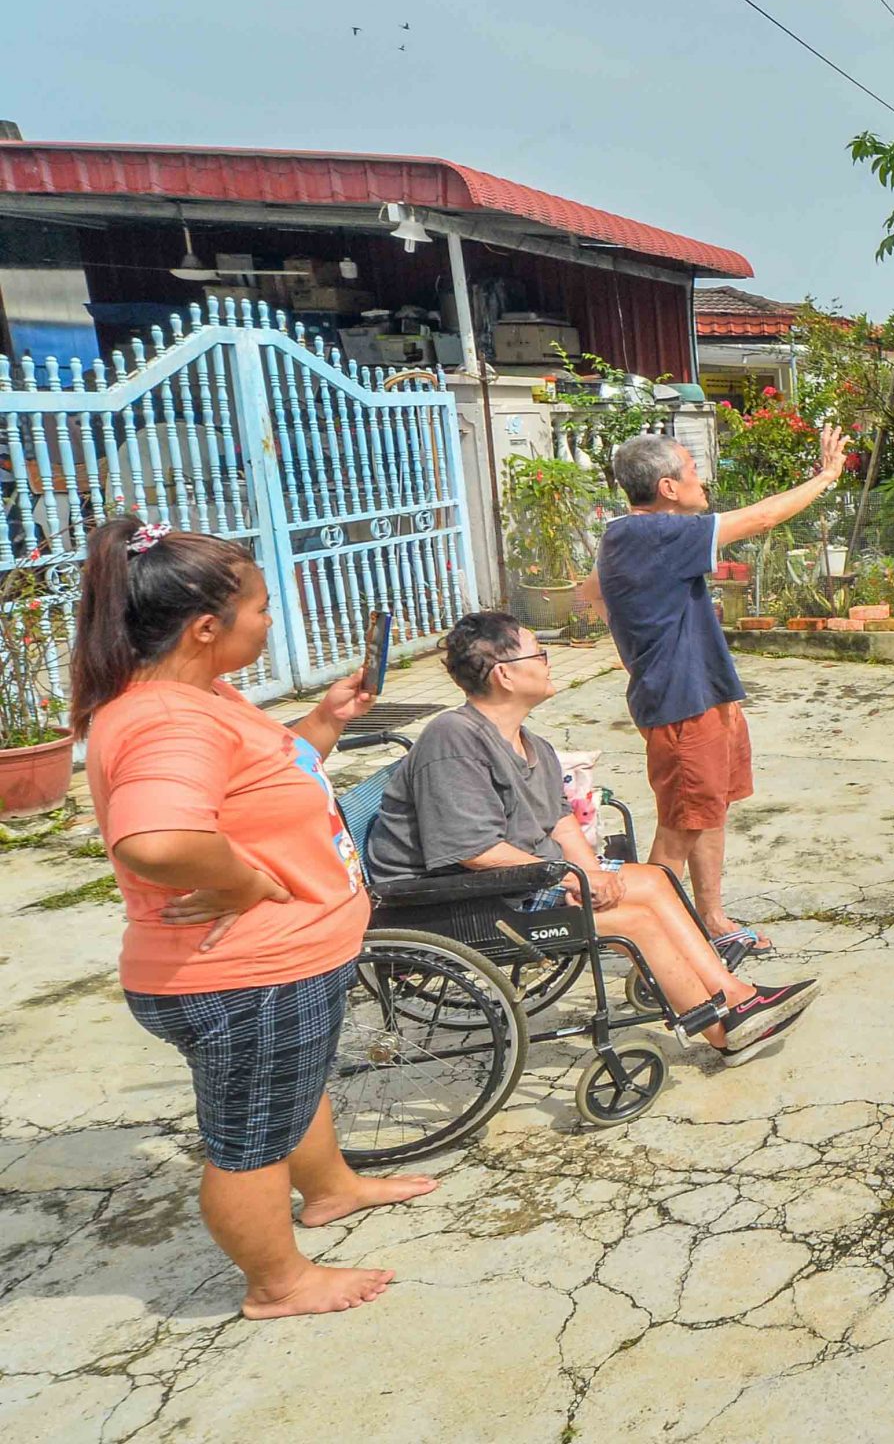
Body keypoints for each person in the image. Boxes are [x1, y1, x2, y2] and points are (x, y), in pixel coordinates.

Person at [76, 519, 434, 1319]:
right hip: (244, 973)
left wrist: (328, 722)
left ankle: (332, 1189)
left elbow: (265, 779)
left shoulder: (204, 693)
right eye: (263, 608)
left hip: (281, 966)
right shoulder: (169, 720)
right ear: (207, 629)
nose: (273, 621)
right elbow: (157, 838)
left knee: (292, 1087)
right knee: (249, 1141)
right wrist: (243, 882)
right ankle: (278, 1283)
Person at [368, 612, 818, 1057]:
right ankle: (720, 1033)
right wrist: (571, 878)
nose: (549, 662)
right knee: (635, 920)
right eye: (539, 653)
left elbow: (559, 819)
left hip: (518, 881)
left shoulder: (529, 743)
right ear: (504, 674)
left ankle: (737, 996)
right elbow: (475, 851)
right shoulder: (454, 738)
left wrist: (589, 872)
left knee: (653, 881)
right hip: (454, 900)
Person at [600, 424, 848, 950]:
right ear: (667, 487)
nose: (701, 480)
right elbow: (761, 518)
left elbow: (593, 596)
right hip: (680, 704)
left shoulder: (637, 537)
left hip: (702, 695)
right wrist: (826, 477)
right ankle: (652, 941)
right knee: (680, 823)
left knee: (707, 811)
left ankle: (710, 920)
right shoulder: (653, 534)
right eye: (692, 471)